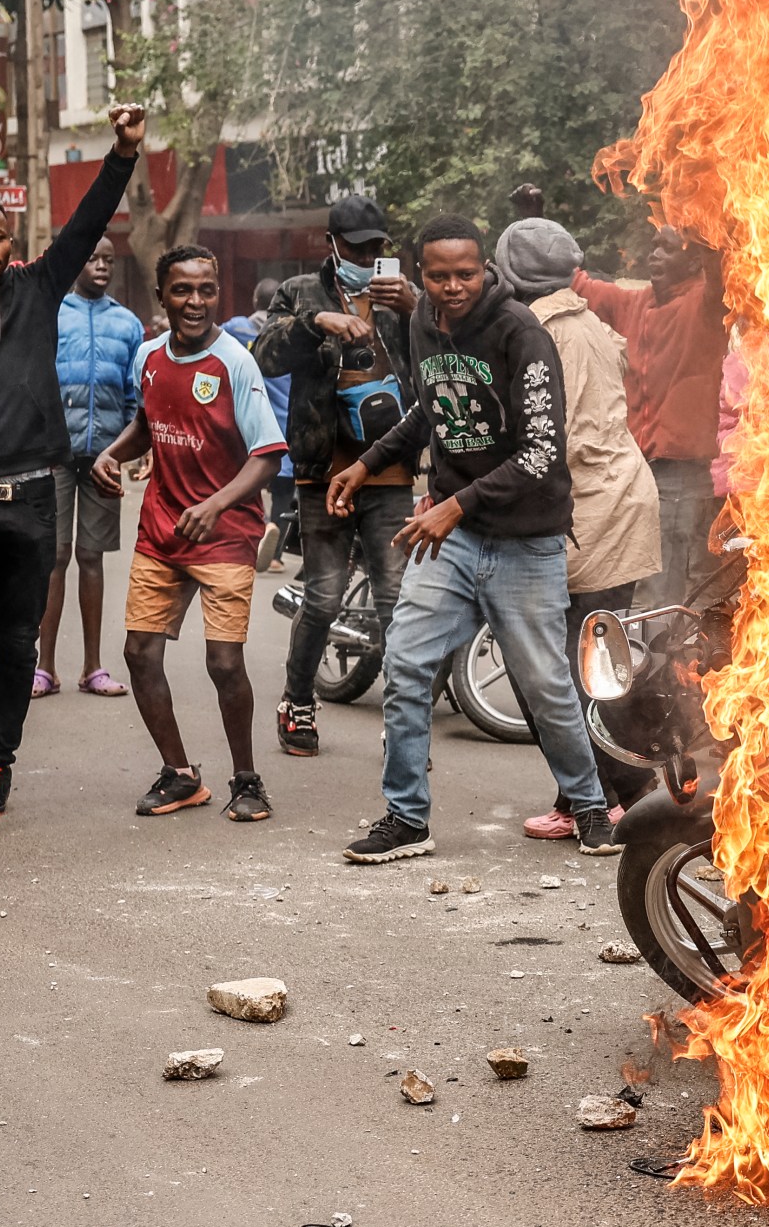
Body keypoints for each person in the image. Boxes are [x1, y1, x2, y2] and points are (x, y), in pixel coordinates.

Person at [330, 216, 617, 861]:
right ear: (421, 275)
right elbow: (429, 411)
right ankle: (407, 818)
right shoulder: (421, 323)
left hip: (525, 541)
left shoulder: (522, 332)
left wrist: (454, 505)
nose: (453, 286)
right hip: (454, 541)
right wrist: (368, 463)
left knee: (545, 683)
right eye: (439, 276)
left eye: (466, 273)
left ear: (486, 268)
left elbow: (541, 453)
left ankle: (590, 805)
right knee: (405, 665)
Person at [0, 103, 146, 842]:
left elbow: (88, 222)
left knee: (17, 646)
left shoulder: (40, 286)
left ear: (11, 242)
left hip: (31, 497)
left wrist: (121, 154)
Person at [92, 245, 285, 822]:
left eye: (206, 290)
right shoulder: (149, 355)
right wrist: (112, 453)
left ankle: (247, 780)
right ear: (162, 297)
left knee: (224, 664)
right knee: (138, 653)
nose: (195, 301)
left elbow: (268, 455)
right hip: (161, 531)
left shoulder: (235, 362)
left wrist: (216, 503)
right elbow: (148, 422)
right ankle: (179, 775)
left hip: (225, 534)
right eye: (182, 290)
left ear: (218, 294)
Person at [495, 217, 662, 838]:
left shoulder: (538, 332)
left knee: (562, 669)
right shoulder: (587, 322)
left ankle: (617, 795)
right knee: (587, 662)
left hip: (588, 512)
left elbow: (544, 442)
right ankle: (588, 795)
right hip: (619, 501)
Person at [254, 197, 418, 756]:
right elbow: (265, 355)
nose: (367, 258)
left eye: (376, 248)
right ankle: (298, 700)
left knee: (396, 601)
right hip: (323, 471)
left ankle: (404, 722)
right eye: (356, 248)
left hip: (391, 472)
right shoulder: (301, 292)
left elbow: (443, 356)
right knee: (323, 598)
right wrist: (316, 322)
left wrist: (416, 310)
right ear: (332, 244)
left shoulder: (402, 297)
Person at [571, 226, 727, 608]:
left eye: (667, 248)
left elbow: (721, 277)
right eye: (654, 245)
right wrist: (533, 221)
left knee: (664, 586)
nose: (654, 254)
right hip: (634, 468)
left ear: (693, 261)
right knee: (641, 579)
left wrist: (708, 224)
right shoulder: (636, 302)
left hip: (681, 474)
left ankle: (663, 647)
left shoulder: (706, 304)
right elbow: (579, 286)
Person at [37, 237, 144, 699]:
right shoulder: (51, 313)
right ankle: (44, 668)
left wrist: (127, 452)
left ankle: (93, 667)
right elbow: (36, 379)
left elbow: (135, 395)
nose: (102, 266)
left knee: (91, 557)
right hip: (55, 455)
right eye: (93, 258)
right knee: (54, 557)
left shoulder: (128, 323)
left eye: (109, 260)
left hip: (106, 457)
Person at [225, 278, 293, 562]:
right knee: (283, 492)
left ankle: (254, 533)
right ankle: (275, 554)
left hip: (248, 424)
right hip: (285, 424)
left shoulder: (236, 328)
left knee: (246, 484)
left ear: (255, 300)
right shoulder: (290, 333)